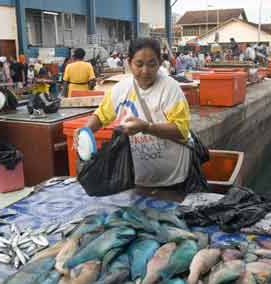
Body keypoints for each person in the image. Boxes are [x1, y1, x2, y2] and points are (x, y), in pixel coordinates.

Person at [78, 38, 193, 191]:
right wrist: (85, 130)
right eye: (139, 64)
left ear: (160, 63)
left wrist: (146, 127)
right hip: (137, 179)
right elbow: (100, 116)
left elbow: (181, 130)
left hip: (172, 180)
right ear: (129, 62)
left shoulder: (170, 89)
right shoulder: (120, 89)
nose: (145, 71)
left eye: (152, 64)